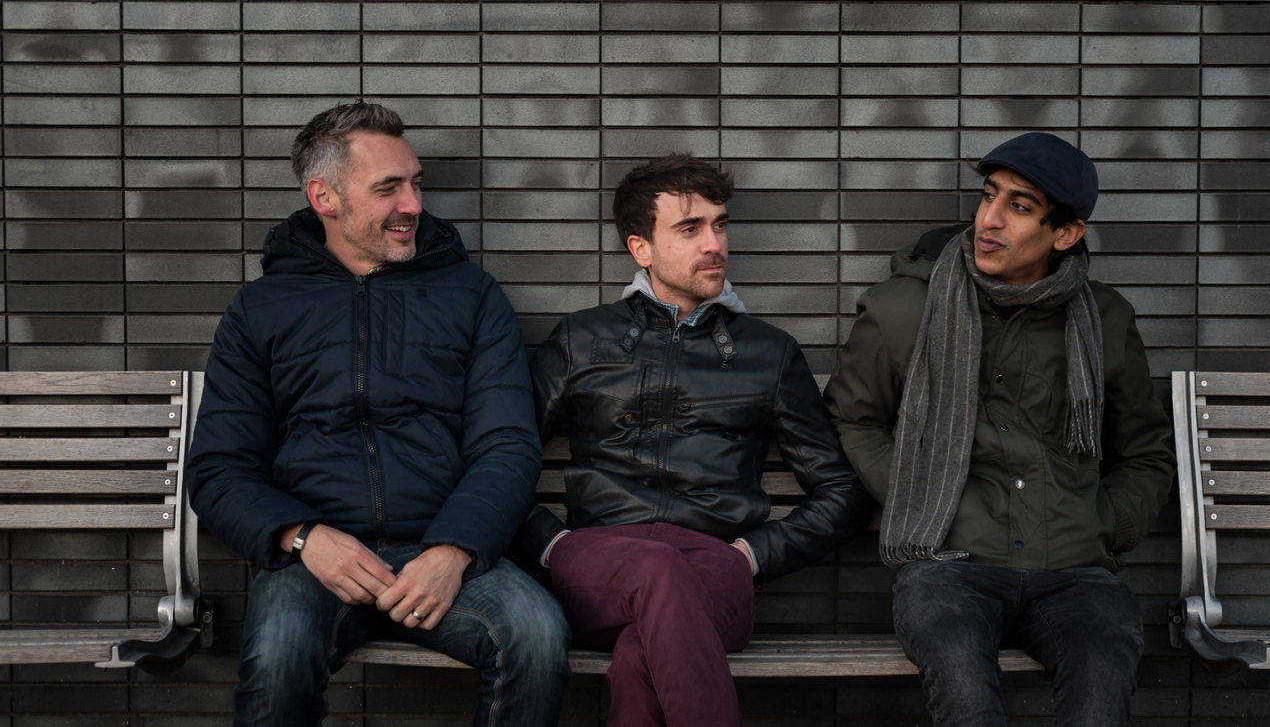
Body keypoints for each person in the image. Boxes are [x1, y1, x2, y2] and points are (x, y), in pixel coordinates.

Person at [186, 100, 569, 727]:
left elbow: (507, 445)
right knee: (277, 661)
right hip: (317, 561)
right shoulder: (260, 310)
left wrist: (454, 551)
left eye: (415, 183)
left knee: (536, 633)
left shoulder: (471, 296)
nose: (413, 204)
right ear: (325, 197)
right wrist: (302, 537)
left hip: (445, 549)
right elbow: (219, 468)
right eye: (389, 188)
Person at [825, 132, 1175, 727]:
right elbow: (853, 417)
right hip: (948, 565)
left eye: (1020, 206)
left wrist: (1108, 523)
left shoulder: (1105, 319)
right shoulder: (904, 308)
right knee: (965, 697)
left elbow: (1146, 452)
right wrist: (919, 496)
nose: (989, 219)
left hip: (1073, 570)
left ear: (1064, 234)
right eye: (989, 196)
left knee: (1101, 688)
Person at [519, 153, 872, 727]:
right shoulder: (581, 340)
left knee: (639, 655)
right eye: (690, 229)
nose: (715, 244)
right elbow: (500, 462)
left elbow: (842, 490)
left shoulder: (768, 353)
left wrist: (750, 556)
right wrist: (554, 545)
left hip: (715, 568)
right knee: (656, 566)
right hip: (600, 563)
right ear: (641, 248)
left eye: (719, 225)